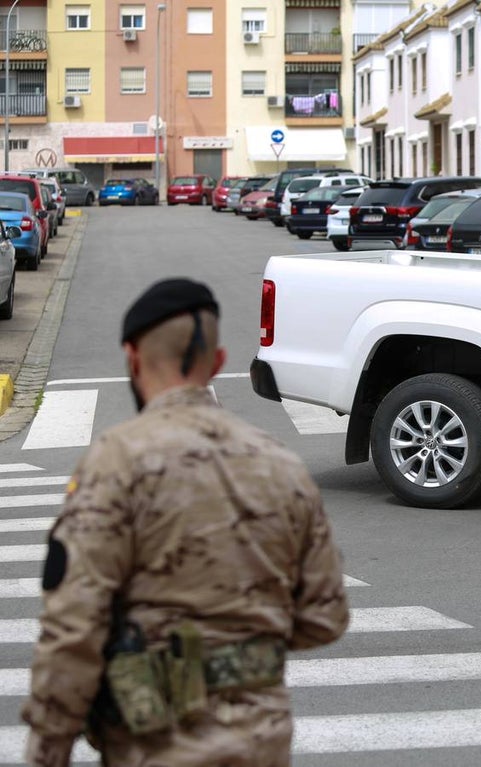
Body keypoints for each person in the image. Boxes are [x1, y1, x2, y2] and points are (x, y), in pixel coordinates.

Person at [22, 278, 350, 767]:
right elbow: (325, 618)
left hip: (153, 741)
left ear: (132, 357)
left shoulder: (117, 462)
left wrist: (49, 749)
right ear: (216, 364)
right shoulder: (280, 465)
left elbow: (74, 626)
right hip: (262, 743)